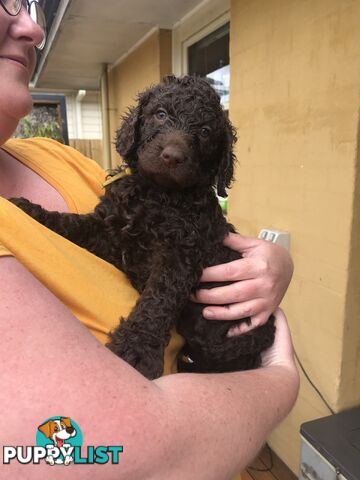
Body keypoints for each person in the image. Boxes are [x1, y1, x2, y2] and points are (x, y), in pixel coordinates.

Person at [0, 2, 299, 479]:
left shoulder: (65, 162)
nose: (175, 145)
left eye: (200, 135)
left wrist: (275, 263)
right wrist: (282, 376)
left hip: (225, 349)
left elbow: (164, 266)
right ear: (137, 129)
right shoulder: (126, 190)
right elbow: (103, 233)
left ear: (216, 164)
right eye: (160, 117)